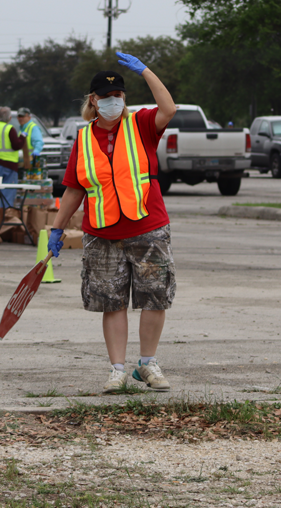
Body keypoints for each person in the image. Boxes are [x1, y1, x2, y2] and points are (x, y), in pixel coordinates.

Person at [47, 53, 178, 394]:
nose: (112, 102)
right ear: (93, 100)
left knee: (154, 298)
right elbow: (75, 188)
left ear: (124, 98)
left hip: (148, 228)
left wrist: (145, 70)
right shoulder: (84, 138)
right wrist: (58, 228)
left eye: (118, 96)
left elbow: (169, 109)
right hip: (102, 234)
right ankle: (117, 370)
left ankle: (147, 364)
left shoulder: (143, 125)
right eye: (105, 97)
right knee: (112, 302)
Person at [0, 106, 28, 214]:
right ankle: (6, 219)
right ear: (9, 117)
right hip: (7, 165)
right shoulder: (9, 128)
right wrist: (22, 137)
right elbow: (16, 145)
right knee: (7, 194)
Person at [17, 107, 44, 181]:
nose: (20, 118)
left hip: (32, 161)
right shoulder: (22, 129)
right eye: (19, 116)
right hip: (24, 162)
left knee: (32, 183)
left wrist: (36, 151)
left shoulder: (33, 127)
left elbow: (39, 142)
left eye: (23, 116)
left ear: (29, 117)